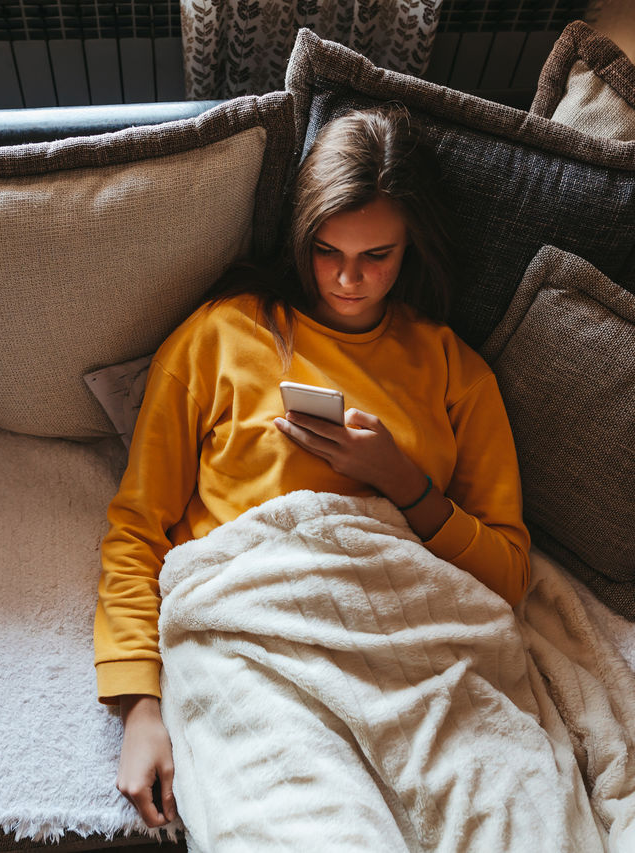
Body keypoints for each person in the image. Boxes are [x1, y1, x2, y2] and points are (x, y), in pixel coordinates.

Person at [93, 107, 532, 830]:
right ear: (301, 236)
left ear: (412, 248)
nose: (348, 279)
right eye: (327, 251)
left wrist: (404, 483)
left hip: (412, 643)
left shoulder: (454, 368)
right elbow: (138, 527)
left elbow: (509, 576)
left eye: (377, 255)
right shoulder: (219, 336)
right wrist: (140, 706)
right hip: (255, 633)